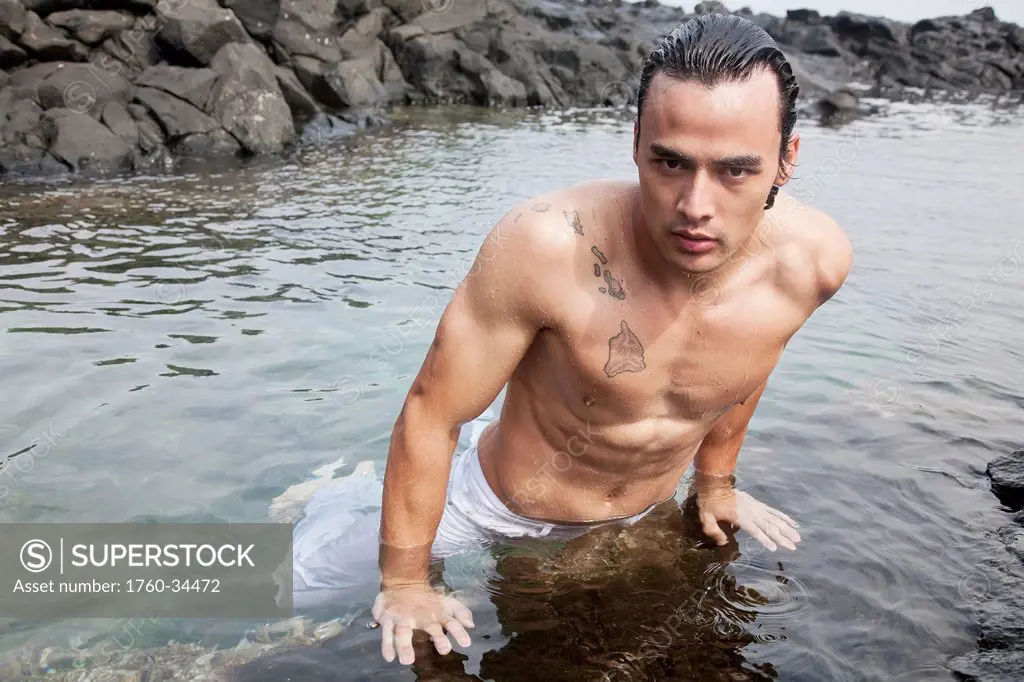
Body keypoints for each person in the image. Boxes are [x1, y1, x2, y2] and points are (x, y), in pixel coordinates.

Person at [293, 12, 853, 667]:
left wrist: (717, 480)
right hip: (493, 507)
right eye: (669, 162)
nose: (695, 204)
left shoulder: (813, 264)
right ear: (635, 140)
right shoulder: (545, 246)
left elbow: (754, 361)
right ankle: (327, 499)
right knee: (266, 587)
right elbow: (432, 411)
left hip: (637, 512)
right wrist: (406, 581)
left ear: (787, 158)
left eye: (734, 171)